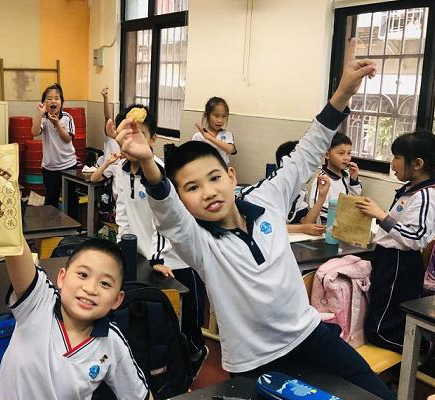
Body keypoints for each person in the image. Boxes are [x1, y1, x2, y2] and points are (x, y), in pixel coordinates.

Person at [115, 39, 394, 400]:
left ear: (231, 176)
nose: (209, 192)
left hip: (310, 336)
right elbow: (167, 213)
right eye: (192, 188)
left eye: (214, 179)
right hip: (253, 362)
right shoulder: (199, 243)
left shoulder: (268, 198)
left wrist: (340, 95)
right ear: (183, 199)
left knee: (376, 396)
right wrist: (150, 165)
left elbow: (306, 154)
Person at [0, 132, 153, 400]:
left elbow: (139, 396)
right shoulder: (38, 304)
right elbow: (13, 241)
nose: (90, 288)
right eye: (82, 274)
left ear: (117, 299)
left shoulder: (111, 344)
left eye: (105, 283)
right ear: (62, 277)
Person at [91, 104, 208, 378]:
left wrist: (157, 258)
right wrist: (124, 250)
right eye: (128, 134)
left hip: (174, 259)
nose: (133, 141)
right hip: (143, 259)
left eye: (141, 134)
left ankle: (192, 358)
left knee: (186, 322)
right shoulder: (120, 170)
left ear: (152, 139)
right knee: (151, 319)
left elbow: (164, 222)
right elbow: (123, 215)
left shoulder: (161, 173)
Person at [355, 132, 435, 355]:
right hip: (388, 259)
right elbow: (399, 228)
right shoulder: (410, 191)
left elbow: (415, 239)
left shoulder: (425, 197)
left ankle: (428, 351)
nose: (392, 163)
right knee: (382, 319)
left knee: (379, 330)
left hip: (400, 265)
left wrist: (381, 216)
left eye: (396, 157)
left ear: (417, 164)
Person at [31, 83, 78, 216]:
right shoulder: (43, 119)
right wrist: (39, 114)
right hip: (49, 167)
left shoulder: (67, 118)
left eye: (56, 98)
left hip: (69, 165)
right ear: (44, 103)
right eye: (49, 98)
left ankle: (75, 227)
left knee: (71, 199)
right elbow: (34, 132)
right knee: (51, 199)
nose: (53, 101)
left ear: (61, 102)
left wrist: (57, 124)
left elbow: (68, 139)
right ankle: (53, 228)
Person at [274, 140, 329, 236]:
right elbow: (268, 226)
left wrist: (322, 197)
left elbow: (307, 222)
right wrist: (301, 228)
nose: (310, 171)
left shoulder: (298, 193)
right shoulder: (272, 190)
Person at [308, 132, 362, 223]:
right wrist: (343, 213)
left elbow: (354, 199)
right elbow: (316, 207)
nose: (346, 158)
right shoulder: (322, 179)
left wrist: (354, 180)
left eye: (349, 153)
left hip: (344, 221)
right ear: (327, 155)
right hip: (328, 224)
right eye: (341, 153)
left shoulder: (346, 175)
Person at [191, 97, 236, 165]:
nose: (220, 120)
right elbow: (193, 157)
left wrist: (209, 138)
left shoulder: (227, 134)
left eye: (224, 116)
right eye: (216, 116)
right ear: (207, 115)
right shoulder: (198, 136)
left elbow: (231, 150)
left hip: (222, 171)